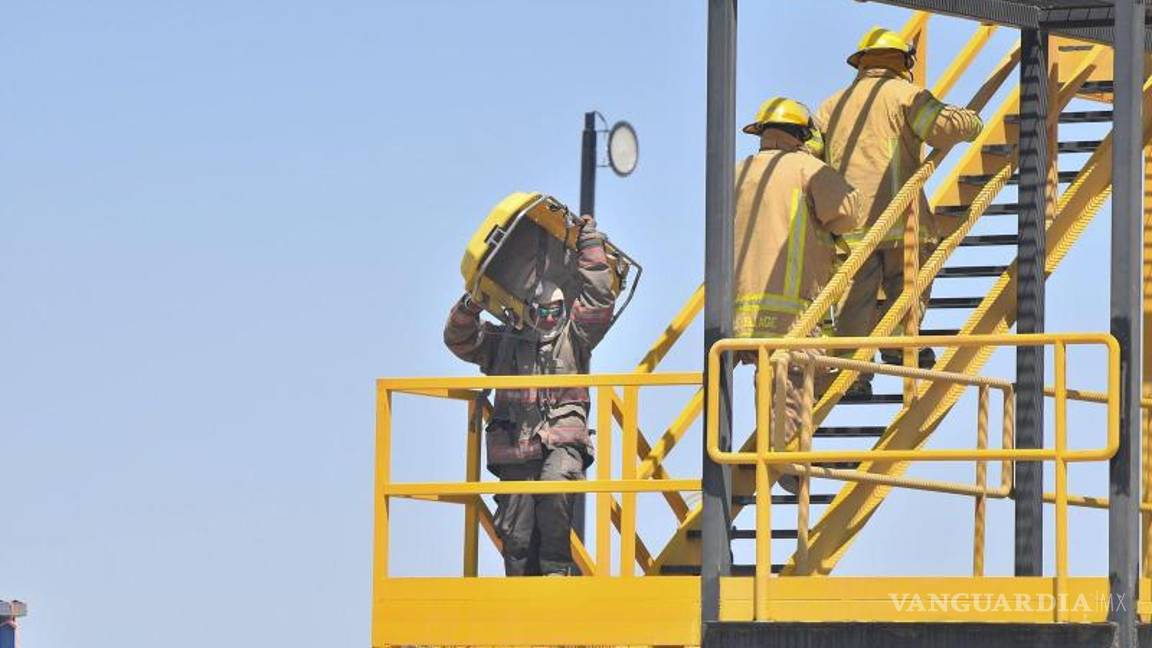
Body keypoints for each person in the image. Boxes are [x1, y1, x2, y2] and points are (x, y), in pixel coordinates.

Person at [815, 27, 984, 396]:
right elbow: (942, 128)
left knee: (853, 303)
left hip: (847, 227)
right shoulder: (906, 96)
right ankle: (897, 344)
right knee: (908, 283)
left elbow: (809, 160)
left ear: (861, 63)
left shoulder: (830, 107)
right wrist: (972, 122)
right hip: (900, 220)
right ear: (903, 63)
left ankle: (851, 375)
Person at [444, 215, 615, 576]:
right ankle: (520, 593)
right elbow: (459, 340)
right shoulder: (504, 341)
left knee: (555, 492)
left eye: (556, 310)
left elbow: (599, 300)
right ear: (529, 308)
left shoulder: (575, 339)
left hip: (561, 445)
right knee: (515, 533)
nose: (550, 317)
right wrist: (471, 304)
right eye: (543, 310)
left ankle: (556, 576)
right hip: (516, 450)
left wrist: (589, 240)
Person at [734, 96, 865, 490]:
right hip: (791, 307)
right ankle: (789, 459)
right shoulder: (808, 168)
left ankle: (791, 447)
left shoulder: (736, 172)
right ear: (803, 136)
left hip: (739, 309)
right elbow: (848, 213)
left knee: (779, 375)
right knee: (803, 372)